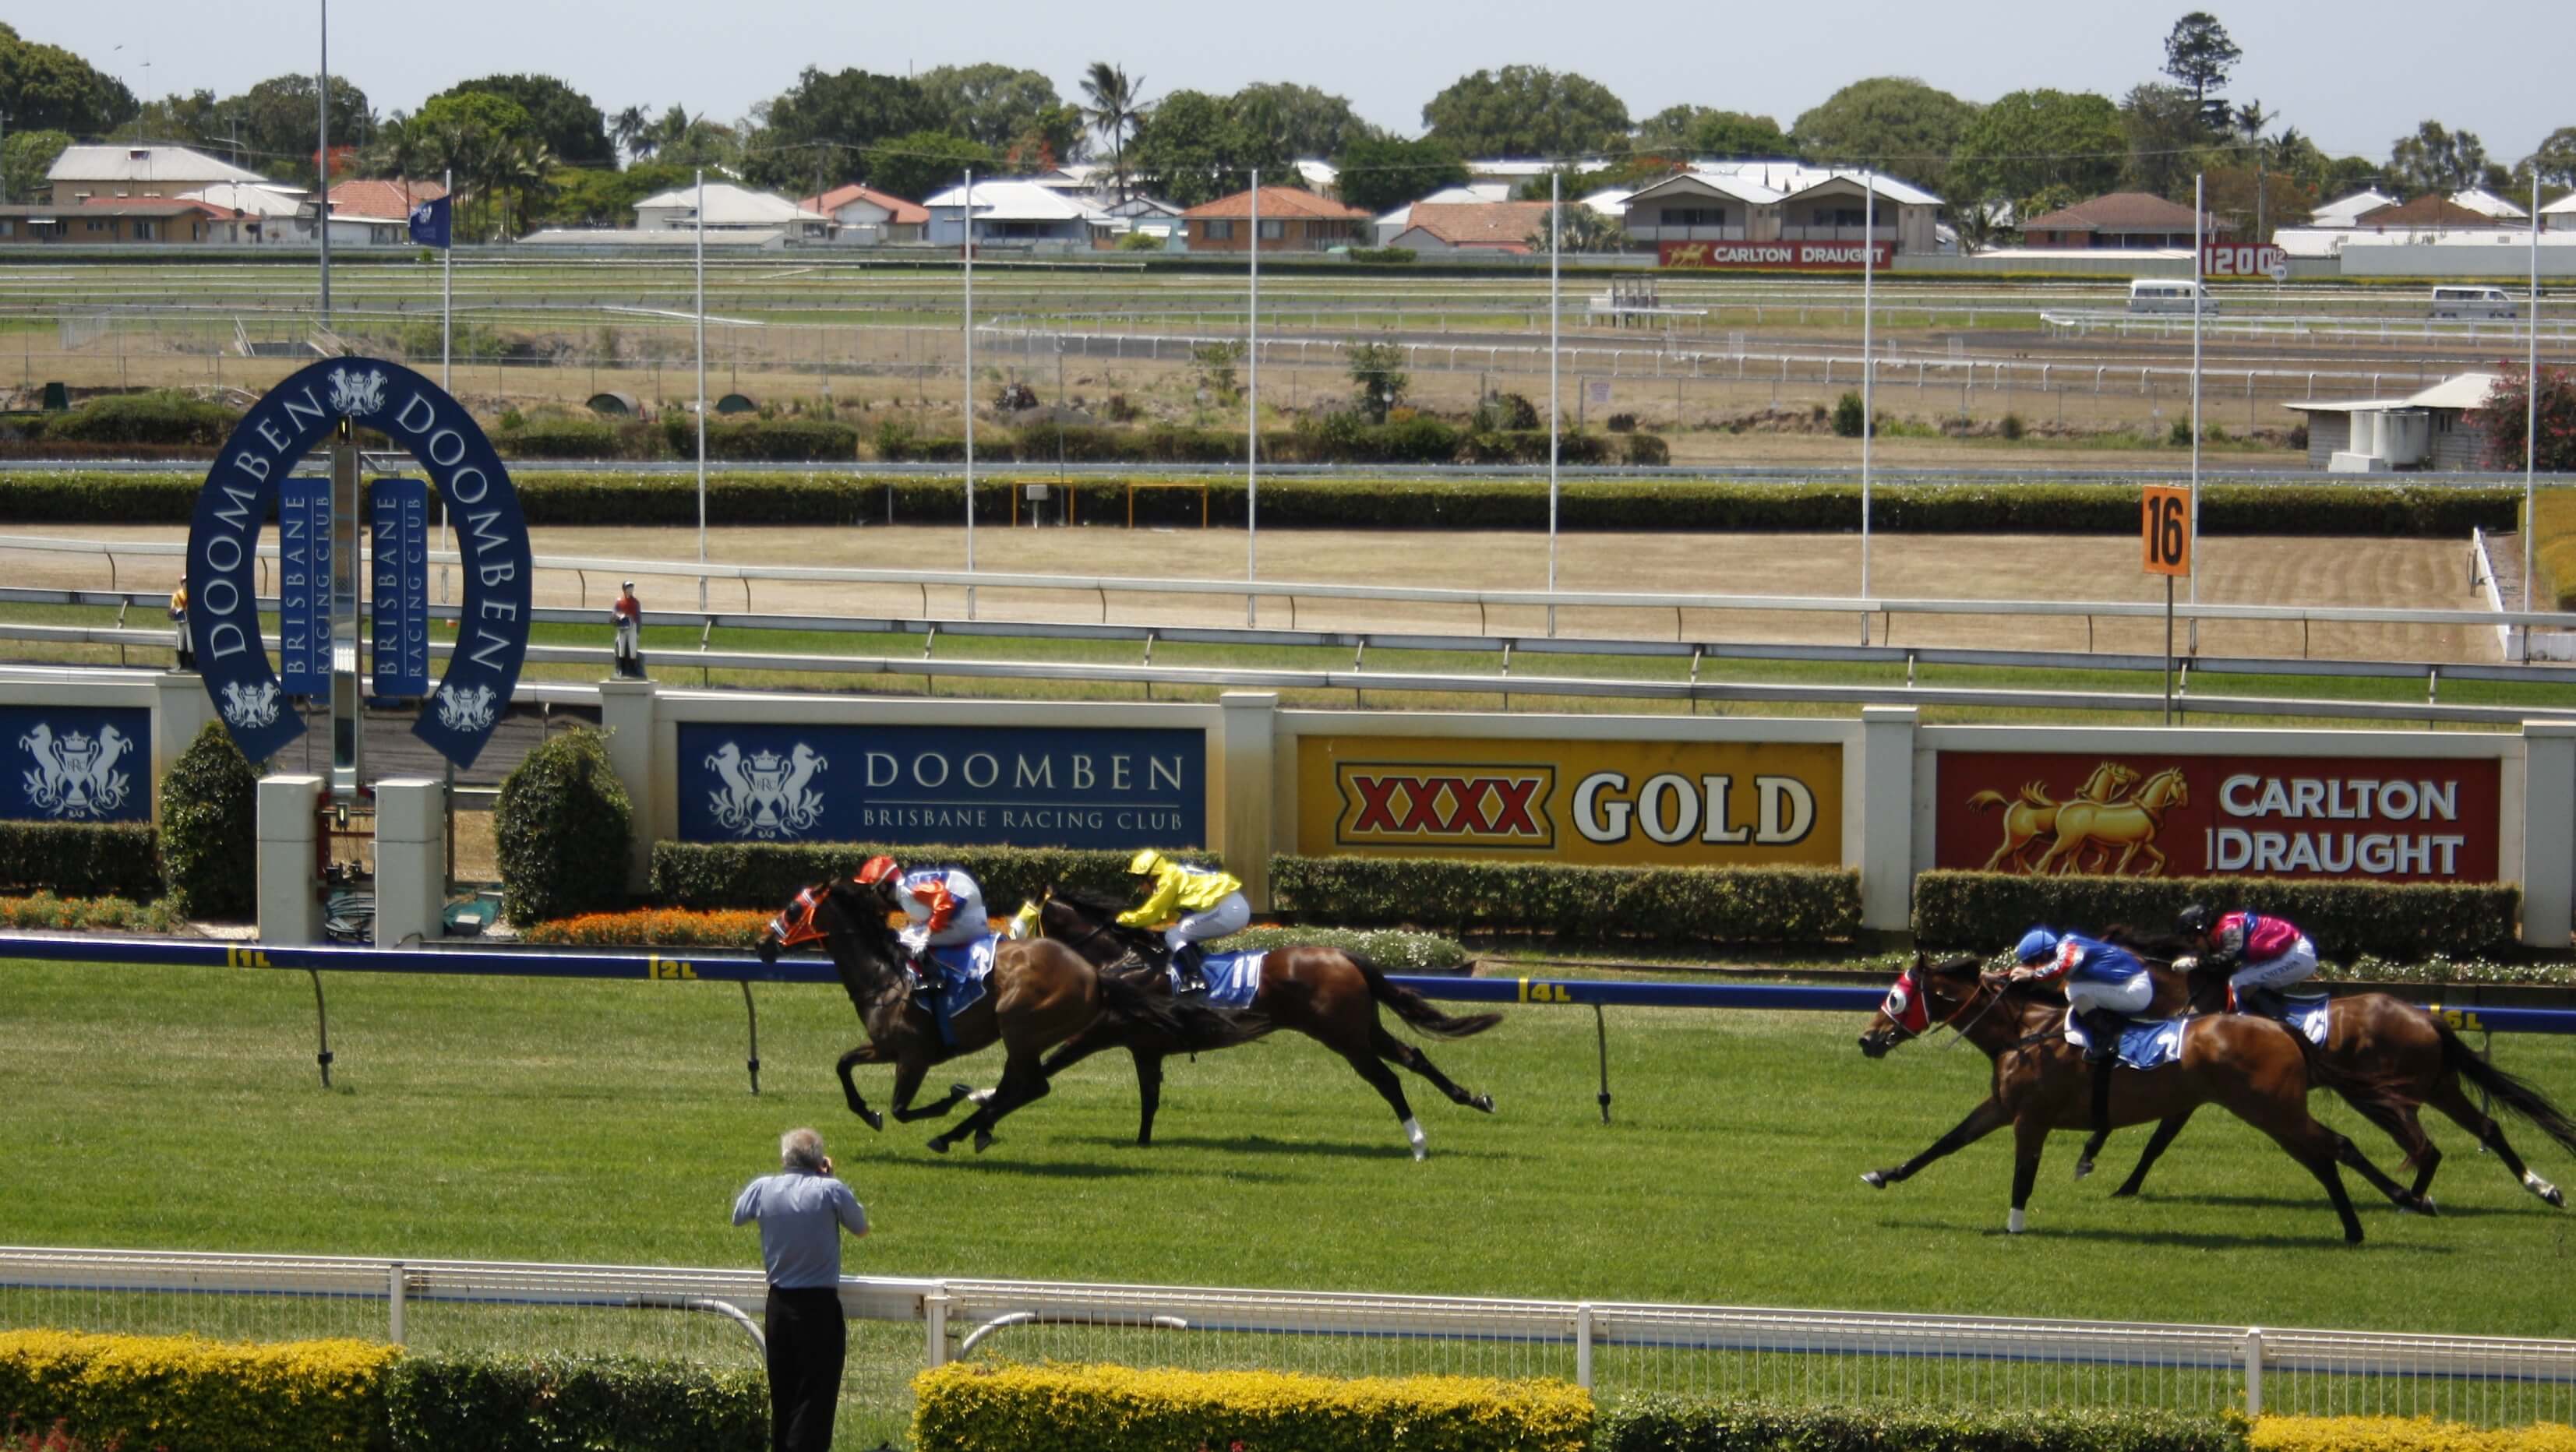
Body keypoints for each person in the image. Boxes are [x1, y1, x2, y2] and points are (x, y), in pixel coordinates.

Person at [732, 1127, 867, 1452]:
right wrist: (827, 1179)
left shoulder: (763, 1188)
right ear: (819, 1160)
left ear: (784, 1158)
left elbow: (738, 1217)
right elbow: (861, 1227)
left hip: (778, 1305)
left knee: (784, 1394)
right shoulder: (830, 1190)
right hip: (819, 1308)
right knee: (815, 1401)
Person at [2008, 925, 2153, 1063]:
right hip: (2129, 987)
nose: (2037, 967)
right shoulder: (2069, 944)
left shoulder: (2068, 945)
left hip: (2135, 989)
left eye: (2036, 963)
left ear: (2045, 954)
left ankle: (2106, 1037)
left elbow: (2064, 965)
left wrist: (2033, 974)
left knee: (2074, 990)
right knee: (2075, 989)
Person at [1118, 848, 1247, 992]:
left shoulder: (1167, 881)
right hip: (1230, 905)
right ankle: (1195, 964)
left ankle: (1196, 979)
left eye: (1140, 880)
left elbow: (1150, 913)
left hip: (1229, 909)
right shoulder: (1172, 874)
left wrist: (1119, 919)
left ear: (1152, 876)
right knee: (1181, 929)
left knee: (1174, 935)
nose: (1140, 887)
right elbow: (1169, 916)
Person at [856, 855, 990, 981]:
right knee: (907, 935)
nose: (873, 896)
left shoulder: (911, 889)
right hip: (963, 911)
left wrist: (926, 934)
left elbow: (945, 904)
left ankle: (934, 978)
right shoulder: (904, 894)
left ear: (884, 886)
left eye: (873, 890)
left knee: (908, 939)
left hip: (969, 916)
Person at [2178, 903, 2318, 1017]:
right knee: (2240, 977)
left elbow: (2226, 957)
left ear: (2204, 929)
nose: (2193, 945)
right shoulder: (2221, 932)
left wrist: (2195, 963)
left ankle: (2283, 1021)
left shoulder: (2229, 928)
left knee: (2238, 981)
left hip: (2297, 955)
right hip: (2285, 954)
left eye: (2192, 938)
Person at [610, 580, 644, 680]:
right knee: (621, 648)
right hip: (622, 627)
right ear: (624, 590)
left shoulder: (636, 602)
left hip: (632, 627)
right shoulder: (620, 601)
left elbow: (638, 617)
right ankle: (620, 669)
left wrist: (638, 631)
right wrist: (620, 616)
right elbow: (614, 613)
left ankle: (634, 669)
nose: (630, 590)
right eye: (628, 588)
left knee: (633, 649)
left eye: (631, 588)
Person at [168, 584, 194, 672]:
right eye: (184, 582)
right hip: (180, 622)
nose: (186, 584)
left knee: (191, 645)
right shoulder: (177, 595)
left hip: (190, 622)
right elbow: (173, 608)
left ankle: (192, 665)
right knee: (180, 643)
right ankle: (181, 665)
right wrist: (175, 611)